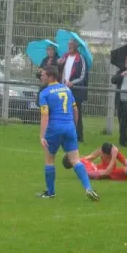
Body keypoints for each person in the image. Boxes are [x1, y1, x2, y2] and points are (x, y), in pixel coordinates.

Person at [37, 65, 99, 201]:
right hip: (69, 126)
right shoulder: (67, 89)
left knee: (49, 160)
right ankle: (88, 188)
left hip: (54, 128)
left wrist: (42, 135)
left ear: (51, 77)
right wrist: (74, 126)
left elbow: (45, 116)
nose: (41, 76)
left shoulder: (45, 93)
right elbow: (76, 111)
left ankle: (50, 193)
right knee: (76, 160)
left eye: (43, 74)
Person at [62, 142, 127, 182]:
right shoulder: (84, 171)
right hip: (111, 173)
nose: (74, 152)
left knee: (104, 147)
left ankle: (126, 161)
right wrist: (113, 156)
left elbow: (92, 156)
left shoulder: (80, 160)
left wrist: (101, 150)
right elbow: (107, 173)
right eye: (71, 154)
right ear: (71, 160)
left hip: (102, 166)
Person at [57, 38, 88, 142]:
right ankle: (64, 135)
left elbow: (82, 76)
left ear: (76, 46)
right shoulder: (64, 57)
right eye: (68, 44)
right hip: (63, 89)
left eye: (71, 44)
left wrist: (72, 83)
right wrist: (58, 64)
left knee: (76, 112)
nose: (69, 46)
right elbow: (59, 72)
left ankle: (79, 136)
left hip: (76, 90)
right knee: (63, 112)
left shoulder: (81, 58)